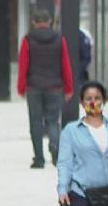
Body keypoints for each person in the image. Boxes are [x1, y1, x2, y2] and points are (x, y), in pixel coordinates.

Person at [18, 9, 75, 169]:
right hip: (55, 87)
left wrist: (21, 87)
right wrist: (69, 87)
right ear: (49, 22)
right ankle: (55, 149)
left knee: (35, 122)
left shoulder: (28, 40)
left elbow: (23, 65)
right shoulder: (59, 39)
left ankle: (39, 159)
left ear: (34, 23)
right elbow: (66, 65)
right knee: (52, 121)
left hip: (34, 87)